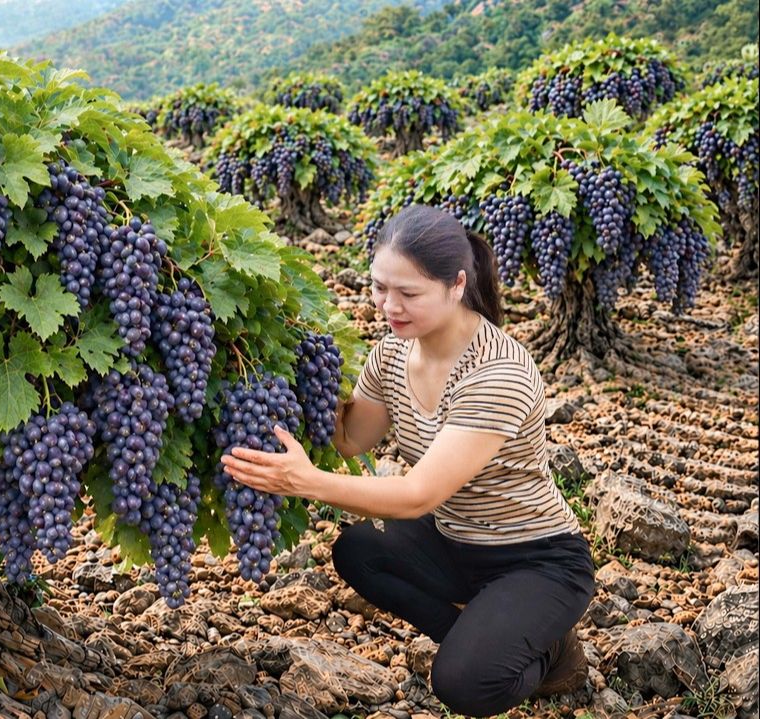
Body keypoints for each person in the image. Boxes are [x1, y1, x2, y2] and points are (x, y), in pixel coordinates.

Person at [219, 204, 594, 718]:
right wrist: (288, 356)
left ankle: (551, 651)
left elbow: (418, 494)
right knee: (357, 551)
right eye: (379, 288)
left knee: (464, 685)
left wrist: (305, 481)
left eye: (408, 294)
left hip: (536, 559)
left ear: (457, 285)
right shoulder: (393, 354)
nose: (388, 306)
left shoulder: (499, 374)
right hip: (454, 542)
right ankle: (496, 628)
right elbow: (351, 437)